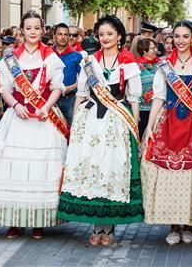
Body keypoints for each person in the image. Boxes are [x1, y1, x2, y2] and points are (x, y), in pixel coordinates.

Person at [58, 15, 143, 246]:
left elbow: (134, 99)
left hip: (116, 122)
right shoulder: (89, 62)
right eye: (101, 34)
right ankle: (97, 227)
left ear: (119, 37)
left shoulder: (128, 63)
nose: (105, 38)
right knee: (92, 168)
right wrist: (75, 124)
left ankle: (110, 228)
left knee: (111, 169)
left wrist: (134, 127)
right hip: (91, 122)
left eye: (110, 34)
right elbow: (82, 94)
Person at [0, 11, 68, 240]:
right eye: (28, 28)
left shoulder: (50, 57)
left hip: (43, 117)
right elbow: (5, 89)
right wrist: (14, 106)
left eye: (36, 28)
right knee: (13, 169)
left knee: (41, 170)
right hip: (18, 118)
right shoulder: (11, 58)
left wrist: (47, 107)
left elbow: (57, 87)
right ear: (22, 30)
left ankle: (39, 220)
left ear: (42, 30)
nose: (32, 32)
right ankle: (14, 221)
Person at [141, 20, 192, 246]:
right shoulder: (164, 65)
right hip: (168, 123)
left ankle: (189, 224)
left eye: (186, 36)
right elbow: (159, 97)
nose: (181, 41)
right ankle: (173, 225)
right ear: (172, 39)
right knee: (169, 174)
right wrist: (150, 127)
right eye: (177, 36)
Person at [53, 23, 83, 125]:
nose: (63, 37)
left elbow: (84, 79)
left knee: (71, 129)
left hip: (70, 100)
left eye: (66, 34)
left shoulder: (77, 56)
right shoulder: (48, 54)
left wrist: (72, 87)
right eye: (60, 34)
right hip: (51, 100)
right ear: (54, 36)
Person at [135, 37, 159, 139]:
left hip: (157, 109)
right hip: (142, 109)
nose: (155, 51)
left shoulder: (159, 64)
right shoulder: (136, 67)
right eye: (152, 48)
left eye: (155, 48)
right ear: (144, 51)